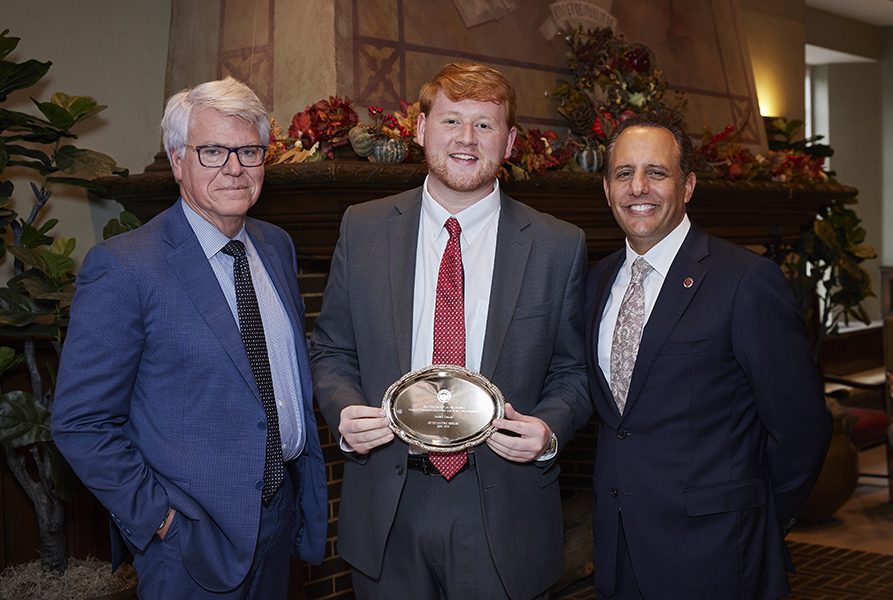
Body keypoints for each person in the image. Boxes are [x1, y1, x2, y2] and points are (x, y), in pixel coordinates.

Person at [309, 61, 593, 600]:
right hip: (388, 498)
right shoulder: (363, 228)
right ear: (419, 130)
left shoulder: (558, 245)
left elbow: (572, 371)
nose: (466, 139)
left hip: (502, 505)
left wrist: (549, 429)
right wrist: (343, 411)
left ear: (509, 143)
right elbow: (331, 350)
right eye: (451, 121)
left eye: (485, 125)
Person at [51, 77, 327, 600]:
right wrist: (162, 522)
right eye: (213, 151)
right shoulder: (124, 267)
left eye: (249, 150)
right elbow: (81, 423)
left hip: (279, 521)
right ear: (178, 161)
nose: (234, 167)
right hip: (189, 544)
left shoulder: (276, 246)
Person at [585, 112, 833, 600]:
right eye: (623, 174)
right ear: (607, 190)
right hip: (619, 555)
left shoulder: (746, 279)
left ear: (689, 185)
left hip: (719, 557)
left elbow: (800, 427)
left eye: (656, 172)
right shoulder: (595, 281)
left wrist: (758, 520)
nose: (639, 187)